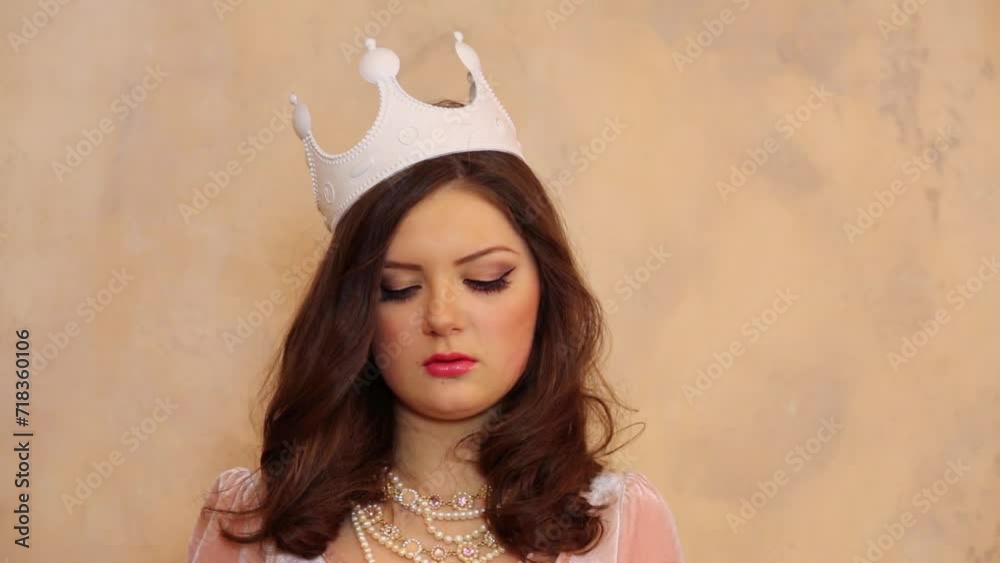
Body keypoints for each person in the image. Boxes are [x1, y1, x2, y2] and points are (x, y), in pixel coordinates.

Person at [185, 31, 685, 563]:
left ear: (546, 292)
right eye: (397, 288)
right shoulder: (253, 520)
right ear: (354, 311)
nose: (442, 318)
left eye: (486, 280)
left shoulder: (618, 525)